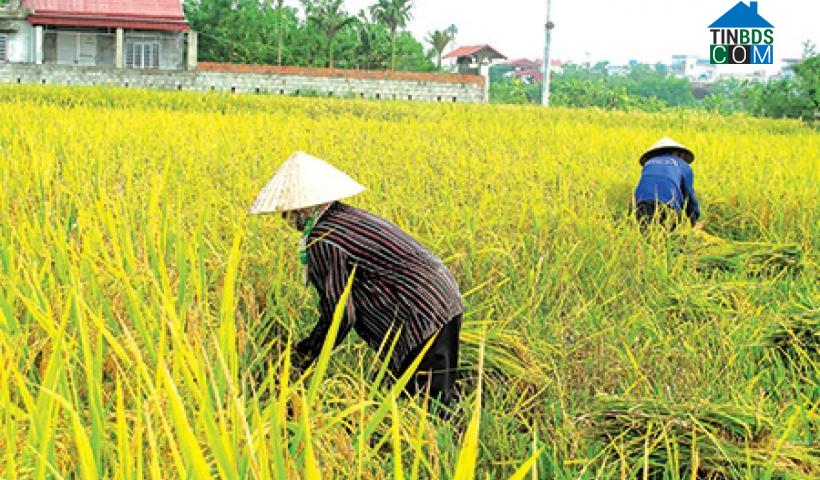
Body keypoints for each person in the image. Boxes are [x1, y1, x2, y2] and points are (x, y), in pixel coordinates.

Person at [249, 152, 463, 406]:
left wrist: (305, 355)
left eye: (287, 213)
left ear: (304, 207)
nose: (287, 221)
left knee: (428, 406)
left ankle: (454, 442)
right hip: (439, 298)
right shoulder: (345, 216)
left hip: (422, 311)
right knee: (422, 395)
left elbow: (340, 314)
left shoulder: (323, 238)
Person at [633, 137, 703, 230]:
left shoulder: (648, 164)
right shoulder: (683, 165)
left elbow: (640, 190)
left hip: (641, 207)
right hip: (668, 208)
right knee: (671, 237)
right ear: (679, 153)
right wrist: (693, 221)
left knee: (647, 234)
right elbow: (688, 196)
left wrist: (632, 215)